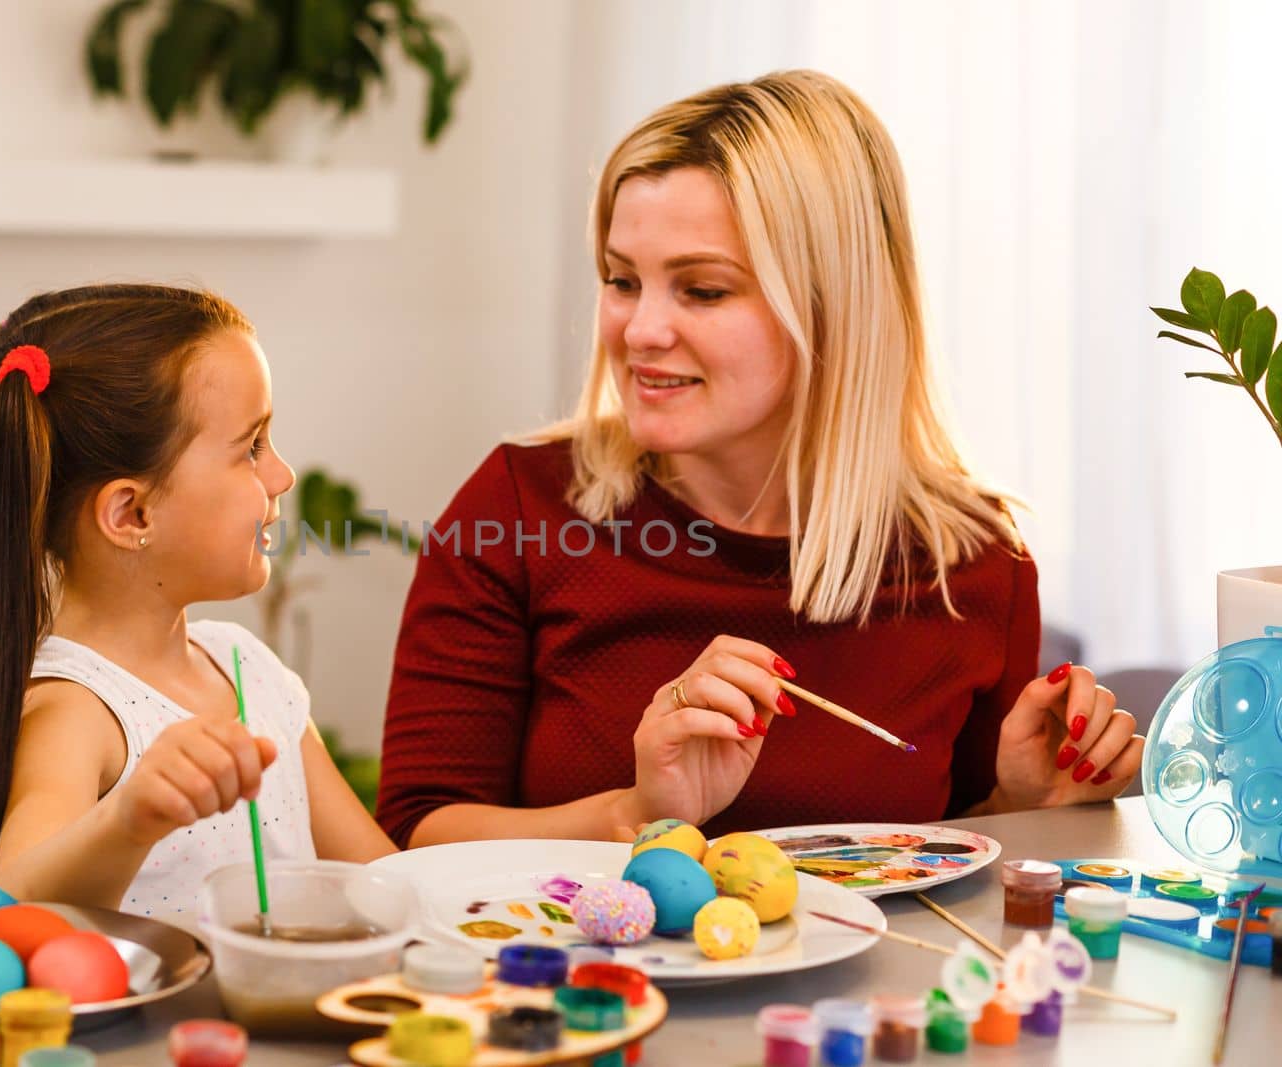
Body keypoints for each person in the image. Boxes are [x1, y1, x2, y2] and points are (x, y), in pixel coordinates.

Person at [376, 71, 1143, 850]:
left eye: (702, 290)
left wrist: (1022, 809)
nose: (640, 330)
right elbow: (416, 832)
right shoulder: (521, 507)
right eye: (621, 280)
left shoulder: (975, 561)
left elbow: (947, 858)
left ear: (834, 305)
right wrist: (640, 812)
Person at [0, 284, 394, 918]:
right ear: (133, 513)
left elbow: (381, 877)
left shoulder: (248, 668)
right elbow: (18, 904)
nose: (282, 475)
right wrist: (130, 818)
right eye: (251, 447)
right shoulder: (77, 709)